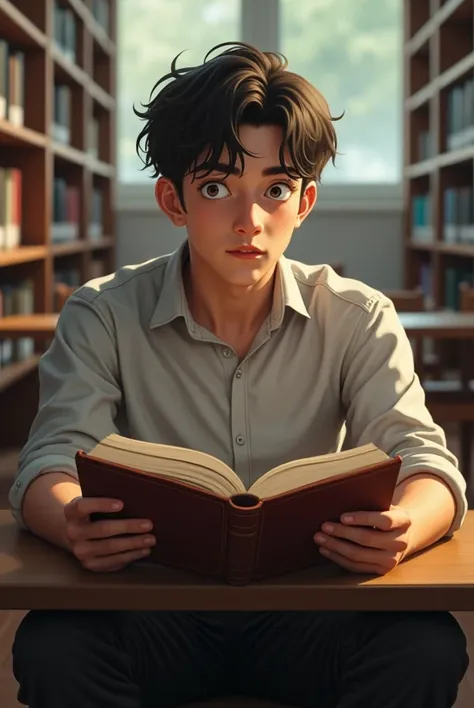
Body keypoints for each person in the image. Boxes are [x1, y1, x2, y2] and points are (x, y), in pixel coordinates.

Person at [9, 42, 468, 708]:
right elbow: (48, 458)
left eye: (275, 190)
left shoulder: (359, 315)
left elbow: (426, 463)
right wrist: (69, 518)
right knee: (53, 647)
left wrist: (404, 525)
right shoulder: (102, 313)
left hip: (311, 607)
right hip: (154, 604)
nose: (249, 220)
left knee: (425, 646)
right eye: (217, 187)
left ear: (304, 200)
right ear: (173, 199)